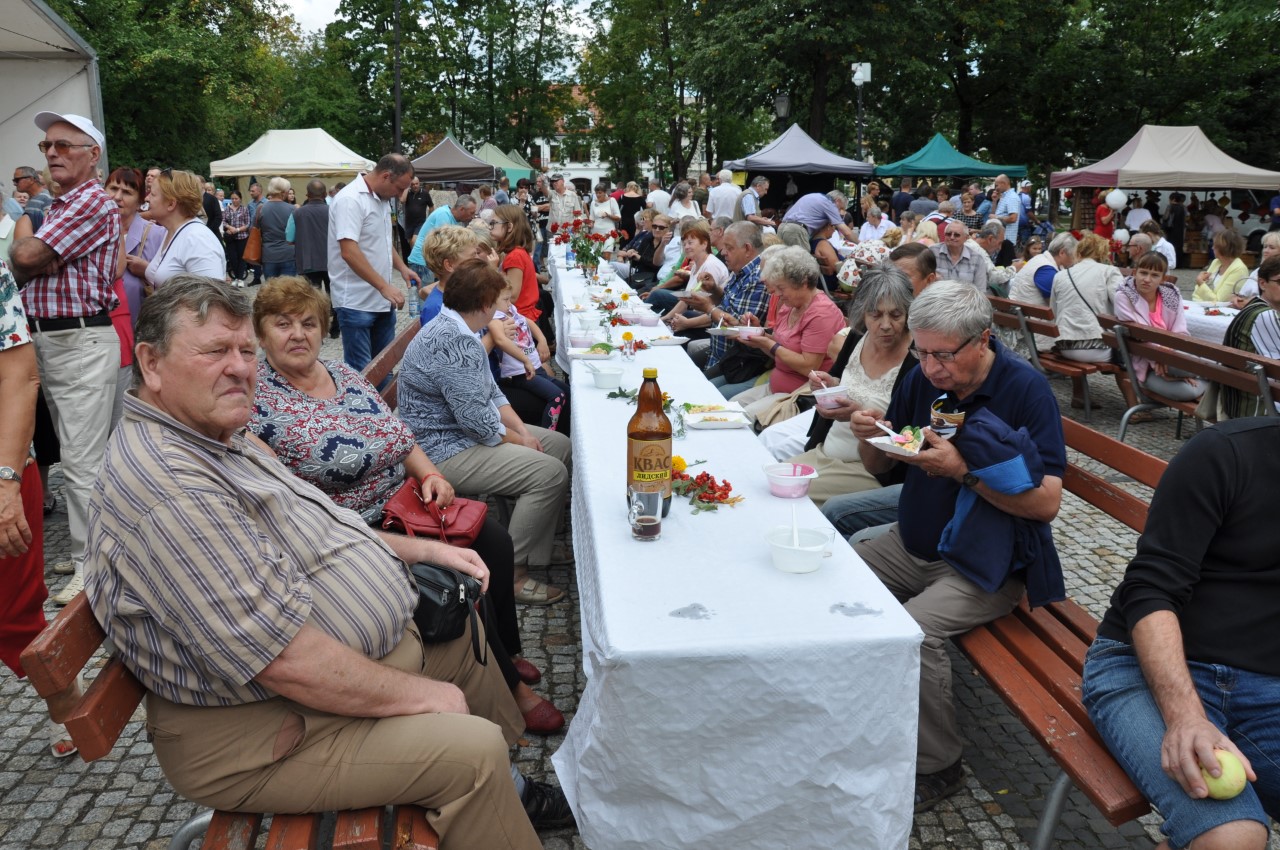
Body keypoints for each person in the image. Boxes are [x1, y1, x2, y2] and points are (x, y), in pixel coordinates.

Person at [83, 275, 569, 844]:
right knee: (472, 751)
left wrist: (426, 549)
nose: (240, 368)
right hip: (265, 731)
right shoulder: (171, 488)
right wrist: (424, 697)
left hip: (324, 677)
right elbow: (282, 659)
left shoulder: (215, 434)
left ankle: (510, 791)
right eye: (216, 352)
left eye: (244, 351)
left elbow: (327, 521)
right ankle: (488, 786)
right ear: (151, 363)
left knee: (462, 631)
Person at [247, 277, 564, 733]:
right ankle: (510, 688)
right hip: (351, 530)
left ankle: (506, 653)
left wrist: (431, 475)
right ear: (261, 334)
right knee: (453, 576)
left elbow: (401, 437)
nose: (299, 334)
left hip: (404, 502)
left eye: (309, 323)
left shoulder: (342, 375)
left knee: (492, 539)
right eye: (283, 324)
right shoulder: (258, 402)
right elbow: (289, 503)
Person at [847, 280, 1065, 812]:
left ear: (983, 339)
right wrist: (867, 434)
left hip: (982, 562)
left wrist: (963, 472)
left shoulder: (1025, 389)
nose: (930, 367)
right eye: (921, 352)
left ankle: (939, 766)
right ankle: (856, 709)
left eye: (943, 355)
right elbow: (881, 466)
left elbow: (1046, 505)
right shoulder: (921, 376)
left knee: (915, 634)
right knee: (835, 577)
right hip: (910, 544)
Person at [1081, 415, 1280, 850]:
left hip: (1268, 690)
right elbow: (1150, 589)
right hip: (1143, 665)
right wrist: (1186, 717)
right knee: (1232, 838)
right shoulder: (1225, 452)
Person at [398, 259, 571, 605]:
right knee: (549, 473)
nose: (501, 308)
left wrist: (522, 431)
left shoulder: (461, 328)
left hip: (458, 434)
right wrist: (522, 441)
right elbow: (477, 423)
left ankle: (536, 546)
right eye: (498, 301)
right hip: (440, 451)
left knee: (560, 445)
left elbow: (492, 392)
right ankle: (513, 573)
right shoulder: (455, 341)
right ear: (483, 305)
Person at [7, 111, 121, 602]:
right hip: (59, 340)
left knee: (81, 460)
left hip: (78, 340)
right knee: (76, 455)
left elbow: (24, 258)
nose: (52, 153)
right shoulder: (61, 205)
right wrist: (35, 255)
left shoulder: (90, 200)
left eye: (64, 145)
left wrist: (35, 253)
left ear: (93, 155)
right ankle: (85, 551)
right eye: (46, 146)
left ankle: (90, 568)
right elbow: (27, 259)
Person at [785, 266, 917, 506]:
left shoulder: (917, 360)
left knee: (786, 492)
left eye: (896, 315)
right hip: (825, 451)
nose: (885, 325)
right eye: (875, 315)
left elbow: (910, 437)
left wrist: (858, 415)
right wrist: (828, 384)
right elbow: (839, 378)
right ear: (863, 313)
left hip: (867, 471)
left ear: (909, 313)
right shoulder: (857, 337)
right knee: (770, 480)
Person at [720, 247, 846, 419]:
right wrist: (761, 337)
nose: (777, 293)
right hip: (776, 387)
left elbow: (809, 367)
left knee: (741, 417)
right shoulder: (790, 306)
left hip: (798, 396)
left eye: (781, 287)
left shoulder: (822, 313)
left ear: (803, 282)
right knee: (729, 407)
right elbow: (780, 349)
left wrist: (768, 342)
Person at [328, 154, 420, 372]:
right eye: (399, 188)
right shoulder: (350, 199)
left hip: (381, 301)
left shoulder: (382, 199)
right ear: (386, 176)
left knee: (384, 368)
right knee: (364, 373)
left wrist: (402, 268)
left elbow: (383, 241)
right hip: (356, 302)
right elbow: (349, 252)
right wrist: (384, 286)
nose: (400, 195)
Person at [1113, 252, 1203, 406]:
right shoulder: (1124, 296)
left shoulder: (1172, 295)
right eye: (1143, 273)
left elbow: (1181, 332)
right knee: (1190, 390)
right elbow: (1142, 335)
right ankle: (1201, 380)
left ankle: (1189, 375)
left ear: (1163, 279)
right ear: (1134, 273)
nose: (1147, 279)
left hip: (1170, 359)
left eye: (1154, 275)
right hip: (1146, 364)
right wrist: (1160, 359)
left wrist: (1167, 357)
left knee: (1205, 366)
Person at [488, 274, 569, 434]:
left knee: (567, 391)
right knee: (557, 396)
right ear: (490, 301)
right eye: (505, 300)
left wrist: (542, 340)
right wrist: (525, 360)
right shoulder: (495, 319)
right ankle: (548, 433)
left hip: (534, 367)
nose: (510, 303)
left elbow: (527, 321)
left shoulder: (509, 310)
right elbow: (501, 340)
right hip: (521, 372)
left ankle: (565, 435)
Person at [1049, 231, 1121, 408]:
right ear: (1103, 254)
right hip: (1095, 349)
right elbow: (1123, 307)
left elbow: (1054, 311)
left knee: (1076, 329)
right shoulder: (1109, 271)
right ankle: (1135, 405)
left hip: (1065, 347)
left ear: (1079, 252)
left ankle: (1079, 395)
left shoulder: (1060, 275)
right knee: (1129, 353)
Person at [129, 169, 225, 288]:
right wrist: (146, 269)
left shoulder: (197, 239)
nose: (147, 199)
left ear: (171, 204)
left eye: (153, 194)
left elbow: (211, 295)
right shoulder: (174, 231)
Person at [104, 167, 165, 326]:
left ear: (139, 201)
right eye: (113, 189)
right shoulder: (90, 233)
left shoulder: (158, 235)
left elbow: (174, 287)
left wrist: (148, 271)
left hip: (141, 330)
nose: (117, 197)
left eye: (127, 192)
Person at [289, 179, 331, 300]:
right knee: (334, 294)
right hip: (331, 260)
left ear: (307, 195)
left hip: (308, 261)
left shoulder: (297, 213)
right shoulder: (334, 211)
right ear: (325, 194)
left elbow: (289, 238)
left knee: (312, 297)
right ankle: (333, 312)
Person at [1192, 230, 1248, 303]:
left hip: (1220, 309)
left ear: (1223, 248)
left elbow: (1219, 301)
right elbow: (1196, 294)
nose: (1212, 248)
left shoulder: (1239, 269)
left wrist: (1200, 283)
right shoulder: (1216, 262)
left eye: (1215, 245)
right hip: (1200, 305)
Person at [931, 220, 988, 291]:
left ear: (966, 238)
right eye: (948, 234)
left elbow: (980, 290)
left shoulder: (977, 259)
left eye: (956, 235)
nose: (952, 237)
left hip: (965, 298)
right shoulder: (932, 252)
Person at [257, 177, 296, 280]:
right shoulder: (292, 209)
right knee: (288, 288)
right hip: (289, 254)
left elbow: (254, 230)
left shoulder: (261, 209)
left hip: (268, 254)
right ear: (283, 191)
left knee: (271, 288)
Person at [221, 190, 250, 285]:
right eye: (232, 198)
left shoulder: (244, 209)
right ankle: (236, 278)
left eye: (236, 198)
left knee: (241, 258)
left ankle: (240, 279)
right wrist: (229, 227)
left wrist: (237, 229)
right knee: (233, 258)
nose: (234, 200)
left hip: (242, 236)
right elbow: (223, 221)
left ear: (240, 199)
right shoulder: (227, 209)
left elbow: (247, 223)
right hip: (230, 237)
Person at [588, 182, 621, 251]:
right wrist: (591, 224)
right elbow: (592, 218)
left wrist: (607, 215)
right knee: (597, 254)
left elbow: (618, 217)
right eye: (596, 193)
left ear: (605, 192)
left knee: (607, 252)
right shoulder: (593, 203)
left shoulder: (612, 201)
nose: (598, 195)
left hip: (608, 232)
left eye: (600, 193)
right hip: (596, 232)